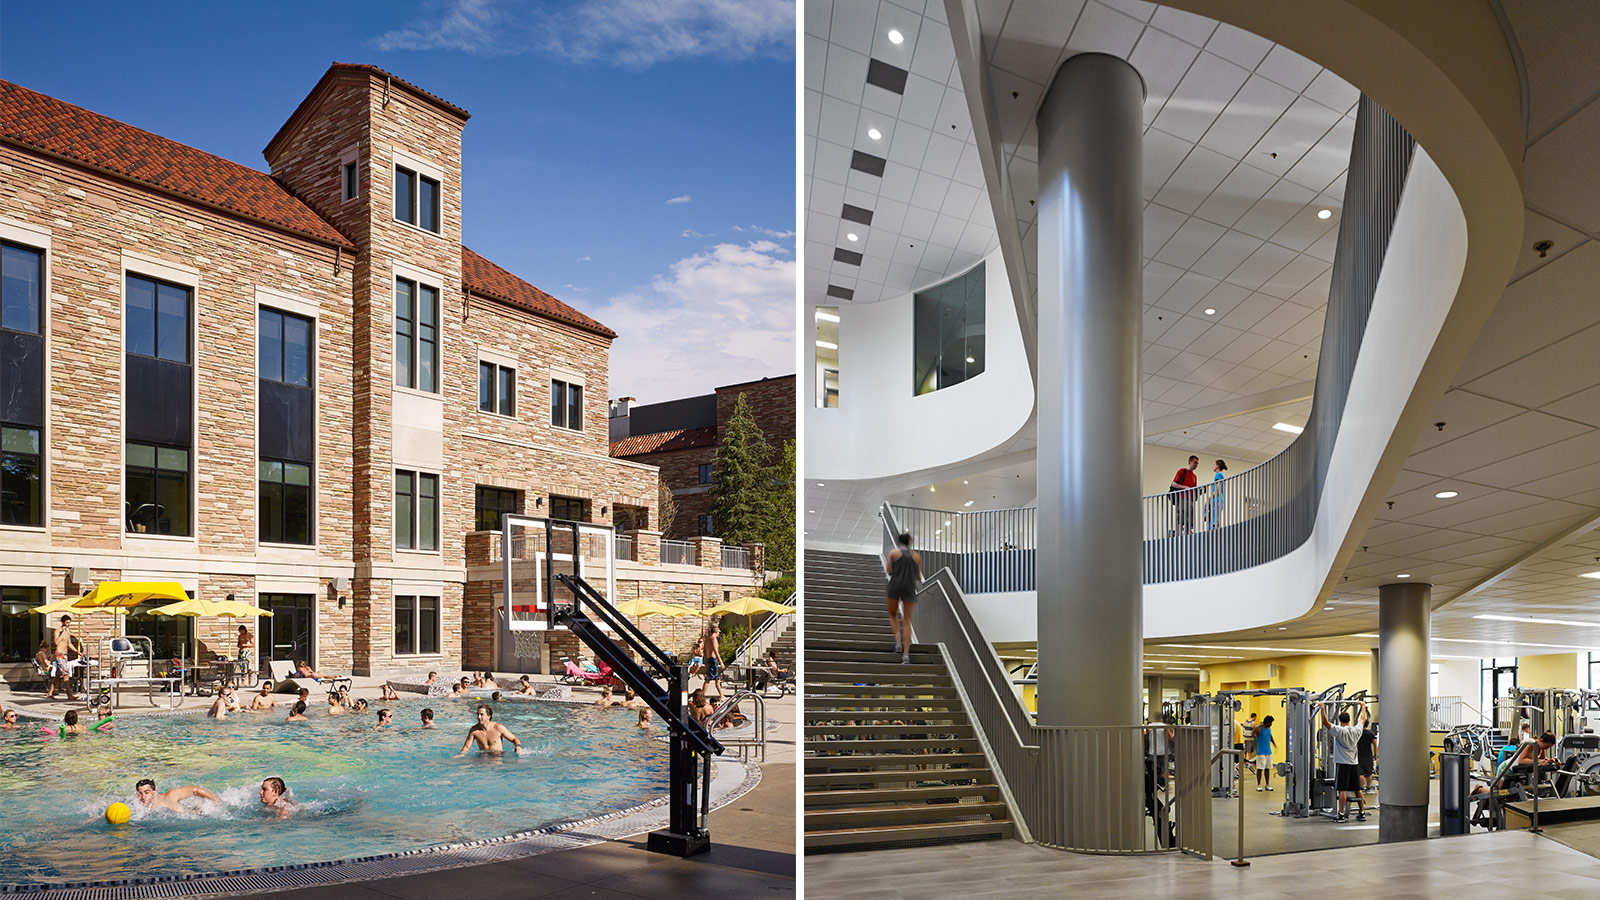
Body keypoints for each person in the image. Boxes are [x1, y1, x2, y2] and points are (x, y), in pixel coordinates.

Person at [1321, 703, 1369, 821]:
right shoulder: (1356, 730)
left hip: (1343, 764)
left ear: (1340, 720)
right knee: (1358, 789)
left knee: (1342, 789)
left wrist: (1322, 708)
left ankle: (1341, 814)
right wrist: (1363, 706)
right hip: (1354, 764)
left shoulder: (1340, 730)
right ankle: (1362, 812)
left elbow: (1325, 723)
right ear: (1349, 720)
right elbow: (1363, 719)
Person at [885, 532, 923, 664]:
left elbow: (889, 570)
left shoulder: (893, 553)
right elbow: (918, 575)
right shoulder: (916, 556)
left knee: (892, 614)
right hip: (909, 587)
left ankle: (897, 642)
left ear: (899, 542)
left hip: (895, 585)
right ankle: (906, 655)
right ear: (909, 542)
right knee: (906, 620)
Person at [458, 704, 523, 755]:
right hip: (483, 757)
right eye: (477, 714)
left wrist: (518, 746)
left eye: (481, 715)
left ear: (489, 716)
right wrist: (460, 756)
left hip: (498, 756)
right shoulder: (474, 730)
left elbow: (514, 739)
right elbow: (466, 747)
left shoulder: (498, 728)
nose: (478, 717)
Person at [135, 779, 219, 812]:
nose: (143, 797)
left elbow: (194, 790)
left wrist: (213, 798)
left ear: (154, 792)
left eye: (147, 792)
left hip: (195, 814)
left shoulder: (169, 797)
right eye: (140, 793)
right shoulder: (137, 806)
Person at [1169, 456, 1200, 536]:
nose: (1196, 465)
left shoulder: (1194, 476)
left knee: (1189, 520)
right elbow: (1174, 484)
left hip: (1191, 499)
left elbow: (1194, 488)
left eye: (1197, 463)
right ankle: (1179, 537)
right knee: (1181, 519)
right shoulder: (1182, 471)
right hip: (1182, 498)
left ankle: (1186, 538)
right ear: (1190, 462)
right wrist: (1185, 487)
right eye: (1195, 462)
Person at [1254, 715, 1277, 791]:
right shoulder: (1258, 729)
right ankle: (1258, 785)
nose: (1271, 724)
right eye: (1270, 722)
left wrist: (1274, 744)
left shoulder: (1268, 729)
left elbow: (1270, 736)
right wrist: (1255, 745)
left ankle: (1267, 785)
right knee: (1260, 769)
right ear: (1267, 722)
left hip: (1268, 752)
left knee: (1267, 769)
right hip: (1261, 752)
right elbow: (1252, 735)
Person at [697, 628, 722, 693]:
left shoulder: (707, 639)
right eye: (719, 632)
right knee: (708, 679)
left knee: (717, 679)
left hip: (708, 659)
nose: (719, 634)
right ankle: (702, 695)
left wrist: (705, 660)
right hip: (712, 659)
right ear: (716, 632)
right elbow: (715, 650)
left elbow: (704, 650)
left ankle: (721, 695)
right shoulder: (714, 639)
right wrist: (721, 662)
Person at [1205, 459, 1227, 529]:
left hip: (1217, 500)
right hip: (1217, 500)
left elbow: (1218, 489)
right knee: (1213, 519)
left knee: (1214, 520)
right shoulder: (1219, 475)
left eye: (1214, 464)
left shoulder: (1219, 474)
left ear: (1217, 466)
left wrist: (1210, 498)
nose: (1213, 466)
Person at [1358, 719, 1379, 795]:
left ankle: (1361, 788)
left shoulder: (1358, 733)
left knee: (1360, 773)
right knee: (1369, 772)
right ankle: (1368, 788)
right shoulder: (1371, 734)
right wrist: (1376, 754)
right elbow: (1375, 745)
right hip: (1368, 756)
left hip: (1358, 756)